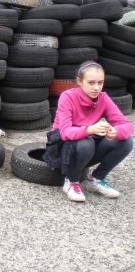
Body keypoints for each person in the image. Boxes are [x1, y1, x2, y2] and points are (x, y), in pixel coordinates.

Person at [49, 61, 133, 202]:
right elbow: (64, 132)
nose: (96, 87)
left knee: (125, 142)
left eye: (100, 83)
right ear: (79, 81)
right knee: (87, 142)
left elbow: (126, 125)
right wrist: (89, 129)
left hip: (84, 148)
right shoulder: (67, 97)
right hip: (59, 151)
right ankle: (72, 181)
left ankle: (96, 179)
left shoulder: (103, 98)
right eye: (91, 82)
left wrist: (115, 131)